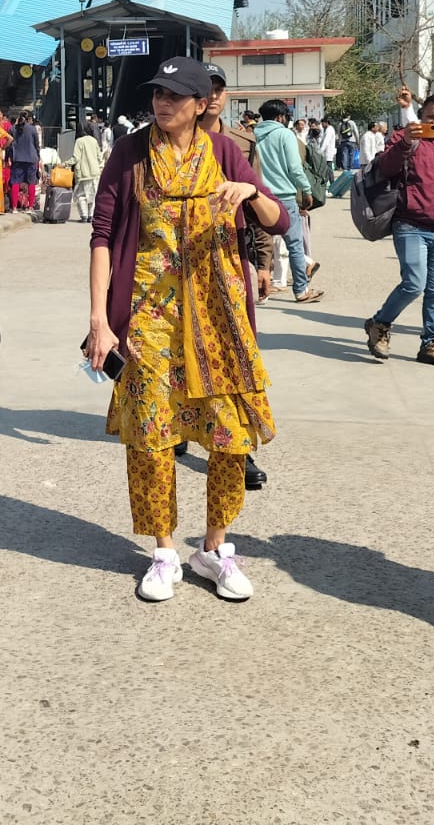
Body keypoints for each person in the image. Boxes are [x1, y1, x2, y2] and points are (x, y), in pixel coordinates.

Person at [84, 57, 289, 602]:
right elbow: (102, 236)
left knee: (228, 434)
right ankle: (164, 551)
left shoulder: (226, 153)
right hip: (149, 319)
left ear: (203, 105)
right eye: (158, 94)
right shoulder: (129, 155)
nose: (162, 103)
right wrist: (100, 320)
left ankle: (216, 547)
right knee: (152, 435)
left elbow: (279, 219)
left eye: (176, 95)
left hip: (219, 318)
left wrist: (250, 194)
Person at [362, 89, 434, 369]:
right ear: (421, 116)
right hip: (410, 225)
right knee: (414, 283)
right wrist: (405, 141)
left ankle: (430, 343)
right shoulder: (406, 141)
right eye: (430, 116)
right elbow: (386, 168)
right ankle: (380, 323)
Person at [198, 62, 271, 490]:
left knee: (236, 357)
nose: (211, 95)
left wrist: (262, 263)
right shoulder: (160, 142)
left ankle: (237, 450)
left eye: (218, 88)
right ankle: (183, 430)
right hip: (179, 266)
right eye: (204, 87)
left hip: (229, 259)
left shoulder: (240, 142)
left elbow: (261, 204)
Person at [254, 99, 322, 303]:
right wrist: (307, 191)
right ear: (281, 117)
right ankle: (301, 290)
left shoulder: (252, 135)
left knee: (262, 246)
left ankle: (261, 292)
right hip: (284, 197)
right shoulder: (285, 134)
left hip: (259, 197)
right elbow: (294, 167)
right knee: (294, 245)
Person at [71, 120, 104, 222]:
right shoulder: (94, 141)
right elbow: (99, 157)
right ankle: (91, 215)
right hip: (94, 172)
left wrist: (64, 164)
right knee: (93, 195)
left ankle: (84, 216)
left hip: (82, 174)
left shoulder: (79, 141)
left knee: (81, 196)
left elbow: (75, 158)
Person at [9, 110, 41, 211]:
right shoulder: (32, 129)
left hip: (17, 158)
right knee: (31, 182)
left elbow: (10, 145)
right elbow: (37, 145)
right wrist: (38, 157)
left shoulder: (13, 128)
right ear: (29, 119)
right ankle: (30, 207)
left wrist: (9, 157)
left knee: (15, 182)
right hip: (31, 158)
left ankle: (14, 207)